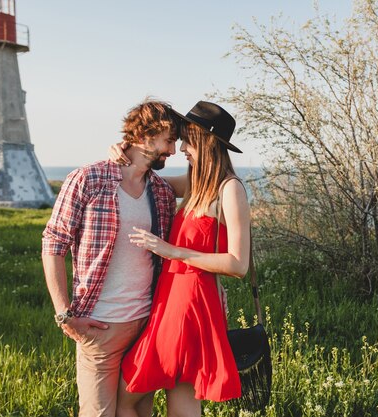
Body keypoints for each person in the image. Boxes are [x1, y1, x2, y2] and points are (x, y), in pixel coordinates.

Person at [111, 101, 251, 417]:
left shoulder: (230, 189)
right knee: (179, 402)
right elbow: (142, 177)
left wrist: (171, 251)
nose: (183, 148)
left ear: (207, 141)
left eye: (188, 139)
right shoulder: (195, 184)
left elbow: (238, 264)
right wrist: (124, 151)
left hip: (190, 305)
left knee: (127, 394)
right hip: (172, 300)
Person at [41, 99, 179, 417]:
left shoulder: (160, 191)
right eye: (169, 140)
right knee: (98, 412)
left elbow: (210, 181)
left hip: (147, 323)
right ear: (146, 134)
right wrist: (64, 314)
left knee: (141, 409)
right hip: (99, 326)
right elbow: (53, 244)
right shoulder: (87, 179)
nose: (172, 151)